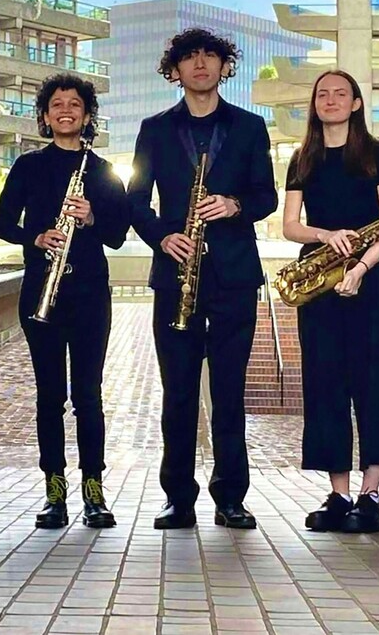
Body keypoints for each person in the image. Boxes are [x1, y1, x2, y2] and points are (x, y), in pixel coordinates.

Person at [126, 28, 277, 530]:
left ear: (224, 66)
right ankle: (178, 498)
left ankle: (231, 497)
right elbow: (134, 199)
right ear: (175, 71)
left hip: (234, 276)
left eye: (210, 56)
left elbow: (266, 197)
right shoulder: (153, 128)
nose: (200, 65)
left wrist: (235, 205)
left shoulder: (252, 127)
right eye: (189, 58)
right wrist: (162, 237)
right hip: (175, 277)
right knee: (179, 393)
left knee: (231, 393)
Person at [0, 73, 129, 528]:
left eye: (75, 104)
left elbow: (117, 236)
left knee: (88, 395)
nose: (65, 110)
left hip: (89, 294)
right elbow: (2, 225)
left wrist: (91, 217)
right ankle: (54, 490)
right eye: (56, 104)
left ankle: (94, 489)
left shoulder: (104, 172)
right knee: (49, 396)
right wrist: (37, 237)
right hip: (41, 292)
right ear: (46, 116)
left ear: (87, 115)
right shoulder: (29, 167)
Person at [280, 70, 379, 533]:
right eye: (322, 94)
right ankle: (338, 493)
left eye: (341, 94)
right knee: (325, 385)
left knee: (374, 385)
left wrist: (361, 268)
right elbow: (290, 226)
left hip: (368, 277)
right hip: (318, 280)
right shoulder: (302, 158)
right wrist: (325, 235)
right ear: (315, 104)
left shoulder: (377, 154)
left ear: (355, 103)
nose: (330, 100)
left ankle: (371, 495)